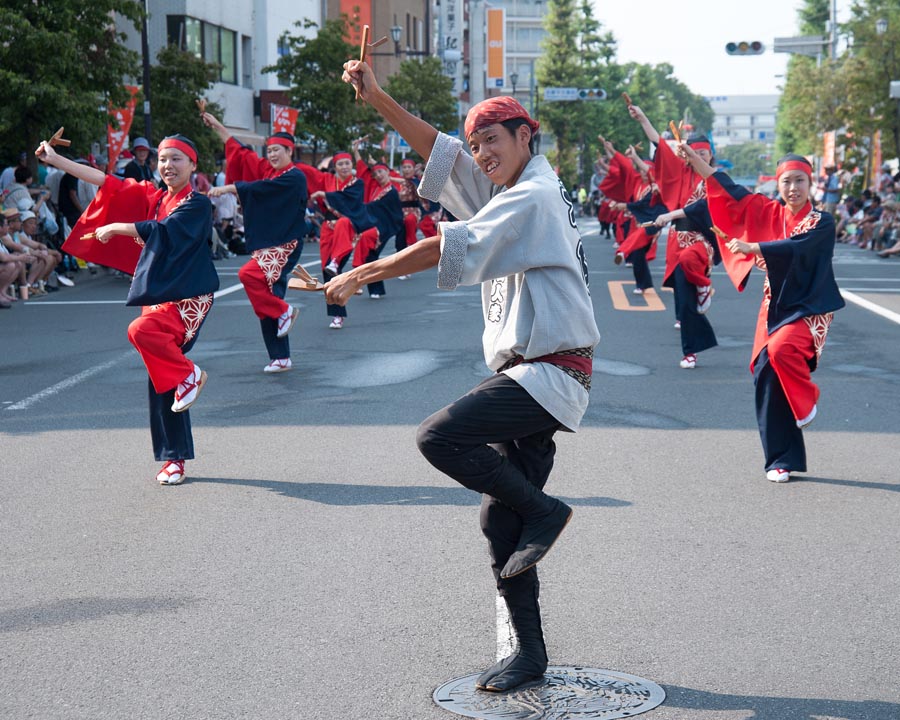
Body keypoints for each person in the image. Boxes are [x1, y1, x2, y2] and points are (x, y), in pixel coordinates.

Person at [336, 60, 600, 693]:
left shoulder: (531, 198)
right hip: (542, 373)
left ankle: (546, 512)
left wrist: (359, 274)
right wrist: (379, 99)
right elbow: (444, 153)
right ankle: (530, 653)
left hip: (547, 373)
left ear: (526, 136)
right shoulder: (517, 187)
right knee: (499, 525)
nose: (482, 154)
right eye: (478, 144)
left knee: (439, 436)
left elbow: (440, 247)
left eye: (494, 141)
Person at [38, 134, 220, 486]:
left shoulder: (197, 204)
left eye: (176, 159)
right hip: (161, 296)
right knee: (161, 378)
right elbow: (108, 182)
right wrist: (55, 160)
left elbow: (164, 233)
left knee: (144, 338)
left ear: (193, 165)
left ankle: (190, 376)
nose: (168, 165)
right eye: (163, 159)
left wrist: (117, 227)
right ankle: (174, 458)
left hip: (188, 299)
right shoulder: (155, 199)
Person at [683, 146, 845, 483]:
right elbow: (731, 192)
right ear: (779, 183)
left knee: (782, 350)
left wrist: (755, 247)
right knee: (765, 373)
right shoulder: (770, 212)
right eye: (786, 181)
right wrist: (697, 162)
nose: (793, 188)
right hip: (774, 304)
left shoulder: (822, 221)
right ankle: (780, 459)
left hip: (809, 307)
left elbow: (799, 248)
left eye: (800, 181)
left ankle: (806, 400)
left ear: (810, 183)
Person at [203, 112, 307, 373]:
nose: (272, 155)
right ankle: (280, 356)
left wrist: (228, 189)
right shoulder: (268, 172)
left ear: (289, 151)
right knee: (267, 301)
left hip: (285, 243)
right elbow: (239, 151)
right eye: (269, 150)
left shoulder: (294, 177)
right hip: (270, 243)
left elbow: (259, 190)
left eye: (277, 151)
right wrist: (218, 126)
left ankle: (284, 311)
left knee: (249, 275)